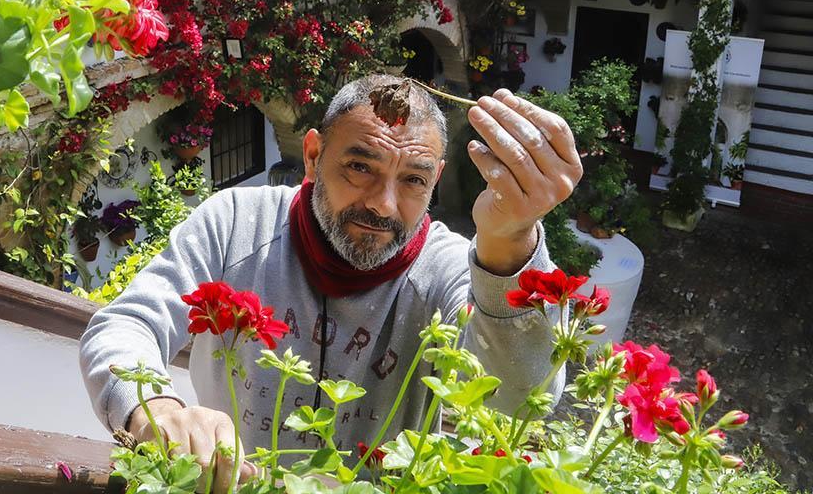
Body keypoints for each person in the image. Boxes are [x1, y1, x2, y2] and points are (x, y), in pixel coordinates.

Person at [79, 75, 583, 492]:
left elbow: (518, 399)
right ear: (315, 155)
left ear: (436, 180)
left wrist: (507, 240)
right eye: (360, 166)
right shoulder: (234, 225)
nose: (383, 204)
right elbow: (126, 323)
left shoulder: (447, 269)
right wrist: (155, 410)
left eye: (413, 180)